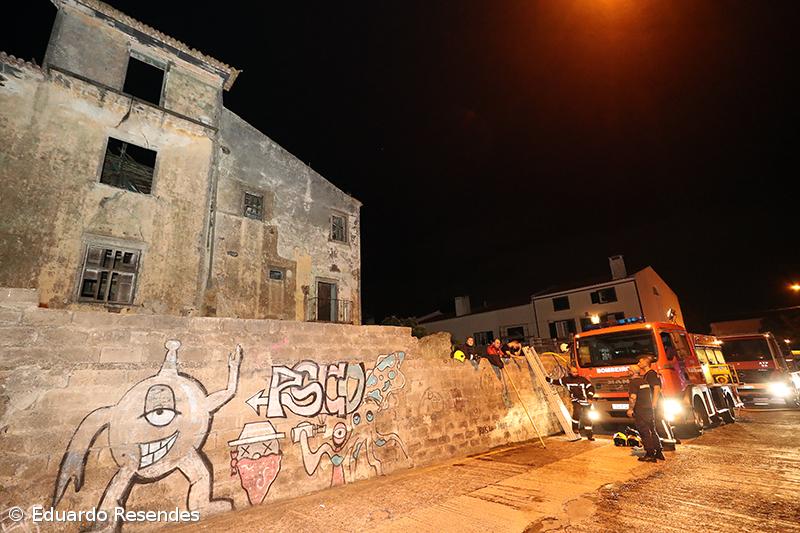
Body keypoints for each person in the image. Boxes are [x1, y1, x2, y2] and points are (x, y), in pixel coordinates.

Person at [626, 357, 665, 462]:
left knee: (644, 432)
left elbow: (633, 397)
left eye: (628, 370)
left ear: (632, 372)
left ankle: (650, 454)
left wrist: (630, 409)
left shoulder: (633, 383)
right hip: (648, 410)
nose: (627, 371)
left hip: (641, 411)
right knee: (653, 430)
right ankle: (659, 452)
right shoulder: (644, 381)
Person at [546, 366, 595, 440]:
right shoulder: (566, 380)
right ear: (570, 372)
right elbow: (558, 382)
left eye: (576, 372)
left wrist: (590, 397)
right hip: (576, 400)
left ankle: (589, 435)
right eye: (574, 372)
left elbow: (590, 387)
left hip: (585, 400)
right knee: (576, 413)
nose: (576, 373)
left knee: (587, 418)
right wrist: (549, 380)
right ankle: (575, 429)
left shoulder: (582, 380)